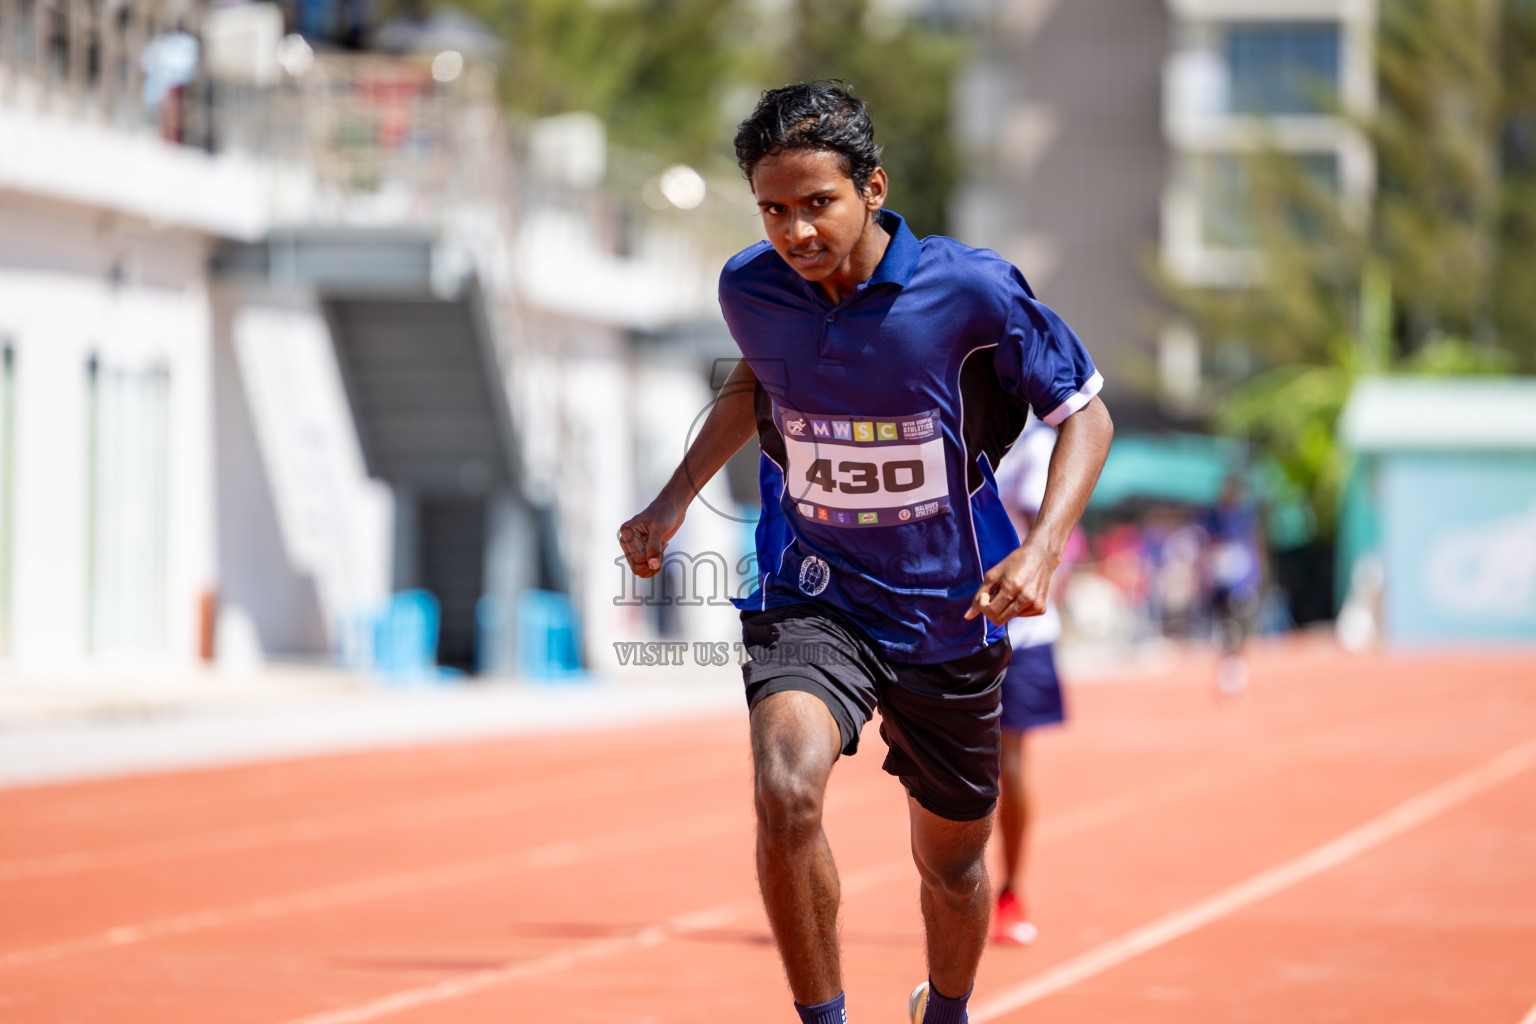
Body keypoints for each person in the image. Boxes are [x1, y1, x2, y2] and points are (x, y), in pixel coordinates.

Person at [617, 82, 1113, 1024]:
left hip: (951, 604)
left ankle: (947, 1009)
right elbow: (755, 388)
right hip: (814, 590)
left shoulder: (969, 290)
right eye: (773, 209)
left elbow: (1084, 411)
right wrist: (670, 501)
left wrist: (1043, 549)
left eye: (817, 204)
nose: (795, 232)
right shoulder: (749, 289)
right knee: (785, 786)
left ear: (873, 187)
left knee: (954, 861)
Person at [988, 416, 1071, 947]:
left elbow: (1044, 519)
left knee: (1009, 762)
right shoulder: (950, 427)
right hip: (954, 626)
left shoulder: (1038, 449)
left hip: (1023, 632)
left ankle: (1011, 888)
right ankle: (958, 886)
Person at [1205, 473, 1263, 697]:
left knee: (1242, 625)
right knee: (1224, 626)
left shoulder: (1244, 517)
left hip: (1242, 583)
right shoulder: (1214, 518)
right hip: (1223, 584)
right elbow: (1209, 547)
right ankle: (1226, 668)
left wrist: (1257, 576)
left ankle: (1237, 667)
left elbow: (1254, 544)